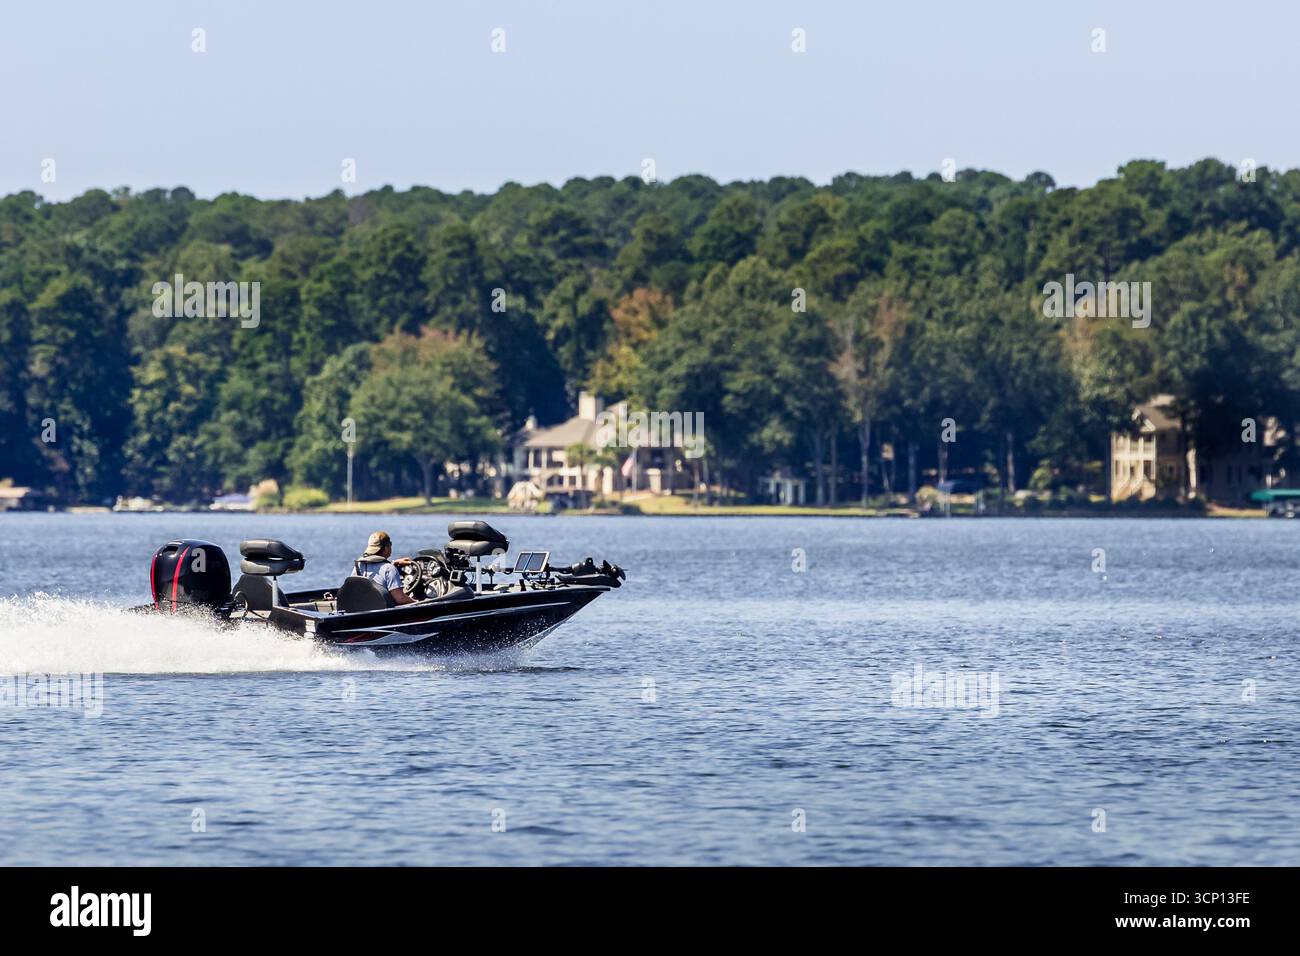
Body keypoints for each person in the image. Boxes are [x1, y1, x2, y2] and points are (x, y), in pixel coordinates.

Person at [353, 531, 416, 605]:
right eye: (390, 545)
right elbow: (400, 598)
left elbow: (353, 587)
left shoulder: (359, 565)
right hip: (382, 611)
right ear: (386, 548)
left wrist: (393, 563)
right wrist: (417, 602)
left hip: (363, 606)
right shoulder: (389, 569)